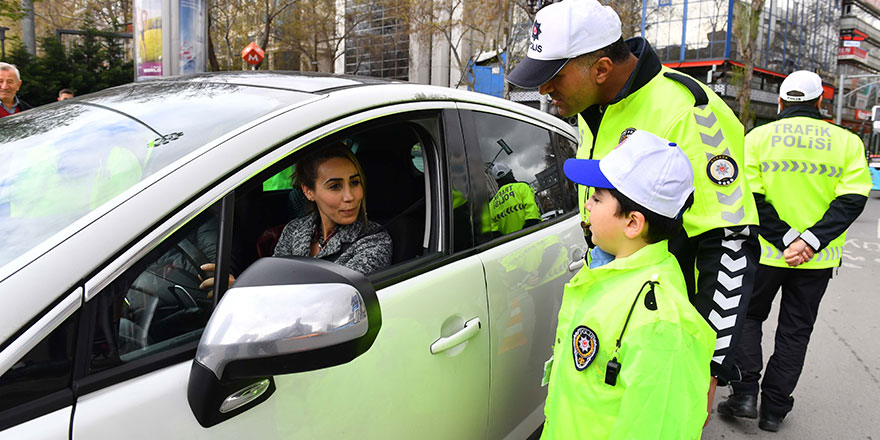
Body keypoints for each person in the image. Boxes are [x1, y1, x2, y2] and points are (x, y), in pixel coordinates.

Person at [506, 0, 760, 405]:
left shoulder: (689, 113)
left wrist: (708, 363)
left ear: (602, 68)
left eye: (554, 75)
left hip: (660, 335)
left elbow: (730, 244)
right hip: (609, 316)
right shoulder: (592, 106)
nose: (543, 89)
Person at [717, 71, 872, 432]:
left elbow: (750, 198)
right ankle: (774, 410)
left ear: (782, 102)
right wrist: (810, 241)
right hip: (816, 260)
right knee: (795, 330)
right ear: (820, 103)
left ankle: (743, 394)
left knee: (749, 317)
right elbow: (851, 200)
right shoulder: (847, 142)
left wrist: (786, 239)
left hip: (766, 254)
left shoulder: (757, 138)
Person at [542, 129, 714, 439]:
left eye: (596, 197)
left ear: (632, 223)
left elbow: (656, 428)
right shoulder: (607, 270)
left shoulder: (662, 323)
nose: (588, 206)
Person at [200, 144, 392, 288]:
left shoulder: (374, 241)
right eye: (335, 186)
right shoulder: (294, 230)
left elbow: (327, 299)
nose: (350, 196)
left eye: (355, 183)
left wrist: (242, 290)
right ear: (309, 192)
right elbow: (272, 281)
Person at [488, 163, 542, 234]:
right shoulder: (523, 187)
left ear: (497, 181)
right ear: (510, 173)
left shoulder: (491, 204)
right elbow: (533, 216)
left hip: (511, 243)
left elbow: (495, 232)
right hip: (535, 236)